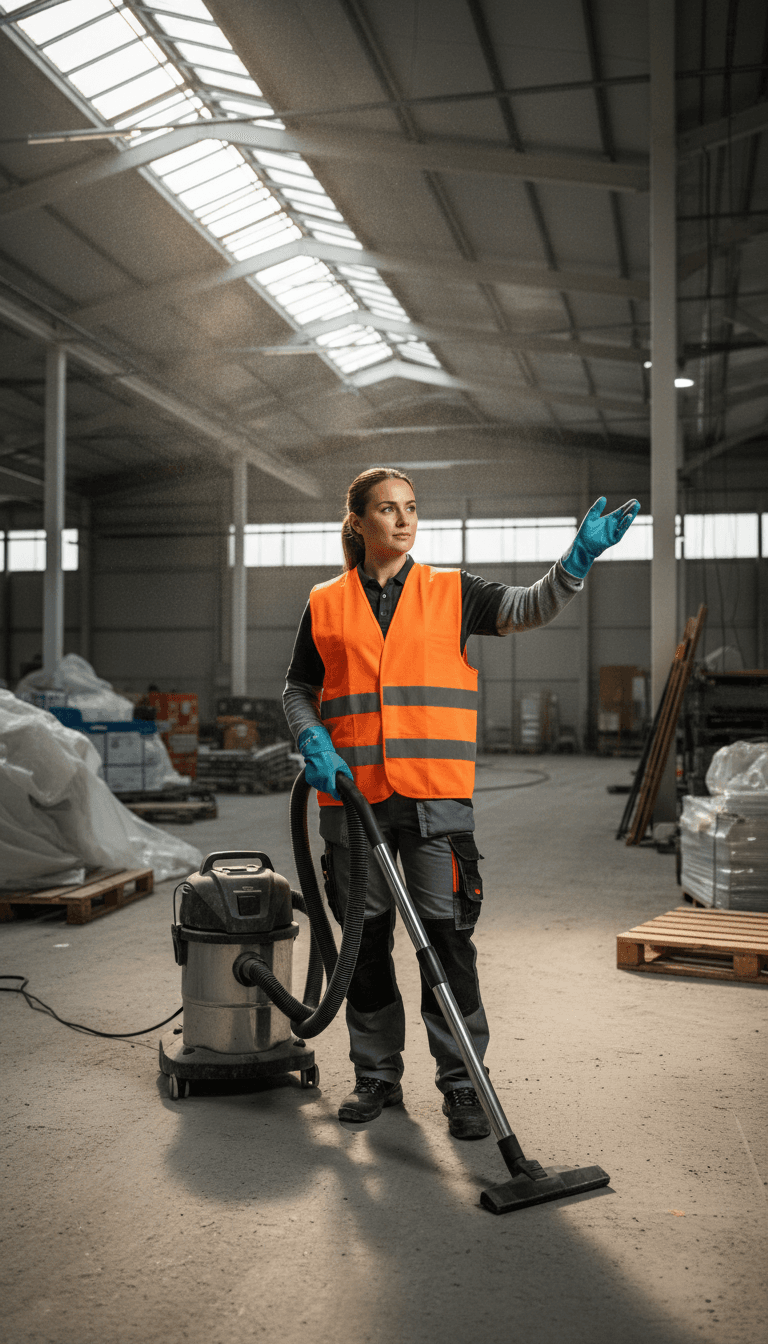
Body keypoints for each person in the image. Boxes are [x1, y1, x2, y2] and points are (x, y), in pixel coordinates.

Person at [283, 468, 639, 1138]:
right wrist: (311, 737)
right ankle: (376, 1076)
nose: (403, 519)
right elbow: (298, 686)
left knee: (446, 943)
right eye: (387, 509)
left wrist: (577, 558)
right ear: (358, 521)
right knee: (364, 947)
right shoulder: (325, 602)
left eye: (411, 508)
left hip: (434, 804)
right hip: (352, 806)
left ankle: (463, 1084)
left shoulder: (453, 591)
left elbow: (527, 607)